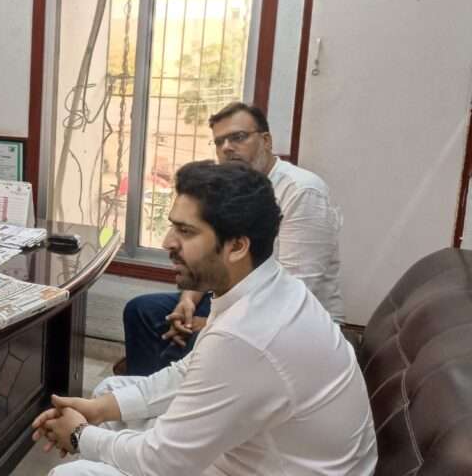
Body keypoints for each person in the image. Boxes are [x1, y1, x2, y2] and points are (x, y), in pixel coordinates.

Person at [32, 161, 376, 475]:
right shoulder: (268, 286)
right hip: (262, 454)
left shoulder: (247, 336)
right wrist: (100, 410)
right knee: (109, 394)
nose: (167, 242)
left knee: (71, 474)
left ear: (237, 247)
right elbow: (190, 372)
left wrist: (79, 435)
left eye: (186, 231)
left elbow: (162, 462)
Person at [120, 102, 344, 376]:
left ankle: (175, 394)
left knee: (192, 341)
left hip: (291, 320)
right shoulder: (229, 189)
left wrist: (213, 325)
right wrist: (188, 302)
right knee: (143, 311)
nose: (226, 148)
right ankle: (145, 393)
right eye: (219, 141)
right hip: (236, 297)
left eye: (238, 137)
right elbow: (211, 256)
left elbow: (296, 289)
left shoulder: (303, 191)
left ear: (266, 141)